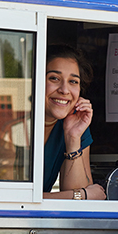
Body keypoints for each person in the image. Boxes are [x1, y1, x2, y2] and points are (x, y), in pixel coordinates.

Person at [43, 44, 106, 200]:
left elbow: (80, 208)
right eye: (54, 78)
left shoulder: (74, 125)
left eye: (73, 81)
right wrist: (80, 195)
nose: (64, 90)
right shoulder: (15, 122)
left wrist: (73, 138)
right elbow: (10, 200)